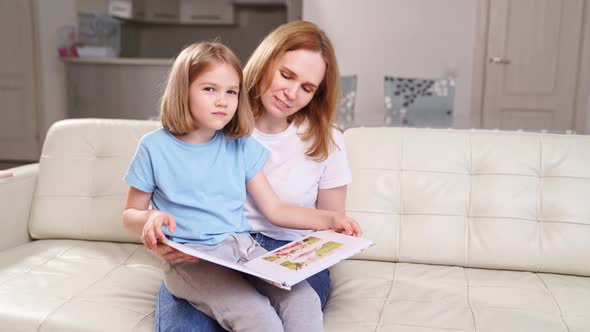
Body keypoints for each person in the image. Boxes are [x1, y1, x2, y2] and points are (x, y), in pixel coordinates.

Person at [122, 41, 360, 332]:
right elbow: (130, 213)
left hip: (242, 249)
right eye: (210, 89)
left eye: (232, 92)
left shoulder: (240, 145)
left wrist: (332, 218)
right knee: (257, 316)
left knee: (303, 299)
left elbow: (275, 209)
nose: (223, 101)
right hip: (193, 261)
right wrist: (150, 219)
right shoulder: (153, 148)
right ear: (182, 90)